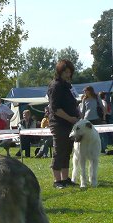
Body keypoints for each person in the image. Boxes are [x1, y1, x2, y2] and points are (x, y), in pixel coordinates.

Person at [47, 59, 80, 189]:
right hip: (59, 123)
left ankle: (66, 179)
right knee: (59, 150)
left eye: (70, 72)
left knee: (67, 150)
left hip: (69, 123)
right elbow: (55, 108)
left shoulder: (68, 86)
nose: (68, 74)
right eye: (66, 72)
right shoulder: (55, 86)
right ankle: (57, 181)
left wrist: (77, 115)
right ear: (60, 72)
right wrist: (70, 118)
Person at [79, 86, 106, 153]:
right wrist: (81, 120)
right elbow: (83, 111)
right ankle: (88, 149)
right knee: (87, 135)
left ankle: (101, 149)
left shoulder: (97, 97)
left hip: (97, 118)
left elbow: (102, 107)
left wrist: (104, 118)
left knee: (98, 135)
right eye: (84, 91)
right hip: (87, 120)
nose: (84, 92)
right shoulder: (84, 99)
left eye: (85, 91)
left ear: (90, 91)